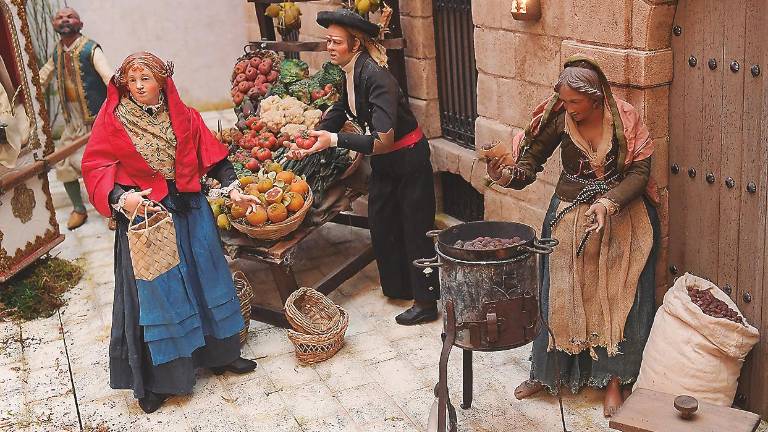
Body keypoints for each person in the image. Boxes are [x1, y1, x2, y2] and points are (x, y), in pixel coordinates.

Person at [81, 52, 258, 414]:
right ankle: (162, 379)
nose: (138, 86)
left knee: (207, 279)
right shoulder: (113, 121)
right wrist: (122, 198)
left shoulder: (184, 116)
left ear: (162, 81)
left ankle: (220, 354)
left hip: (191, 213)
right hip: (148, 219)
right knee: (158, 295)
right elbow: (95, 165)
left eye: (145, 79)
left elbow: (215, 157)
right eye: (132, 81)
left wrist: (233, 187)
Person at [487, 57, 660, 417]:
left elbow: (641, 173)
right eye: (564, 101)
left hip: (622, 217)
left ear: (595, 99)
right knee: (558, 293)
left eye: (574, 102)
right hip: (568, 215)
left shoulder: (624, 120)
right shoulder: (559, 119)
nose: (567, 108)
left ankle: (614, 380)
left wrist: (608, 202)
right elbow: (528, 165)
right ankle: (546, 373)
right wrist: (503, 174)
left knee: (615, 297)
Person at [292, 8, 439, 325]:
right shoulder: (348, 72)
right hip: (386, 164)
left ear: (355, 45)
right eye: (328, 41)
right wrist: (312, 135)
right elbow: (341, 110)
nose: (330, 47)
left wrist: (333, 140)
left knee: (416, 231)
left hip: (409, 160)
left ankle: (427, 303)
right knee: (383, 223)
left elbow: (383, 140)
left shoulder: (378, 78)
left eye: (336, 42)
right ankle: (401, 288)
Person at [39, 7, 112, 230]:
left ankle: (112, 210)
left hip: (95, 122)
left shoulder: (91, 48)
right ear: (54, 24)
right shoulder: (57, 51)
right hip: (72, 122)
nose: (64, 20)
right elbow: (43, 77)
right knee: (63, 162)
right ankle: (79, 209)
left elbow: (108, 76)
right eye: (60, 18)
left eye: (70, 17)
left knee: (104, 166)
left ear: (79, 23)